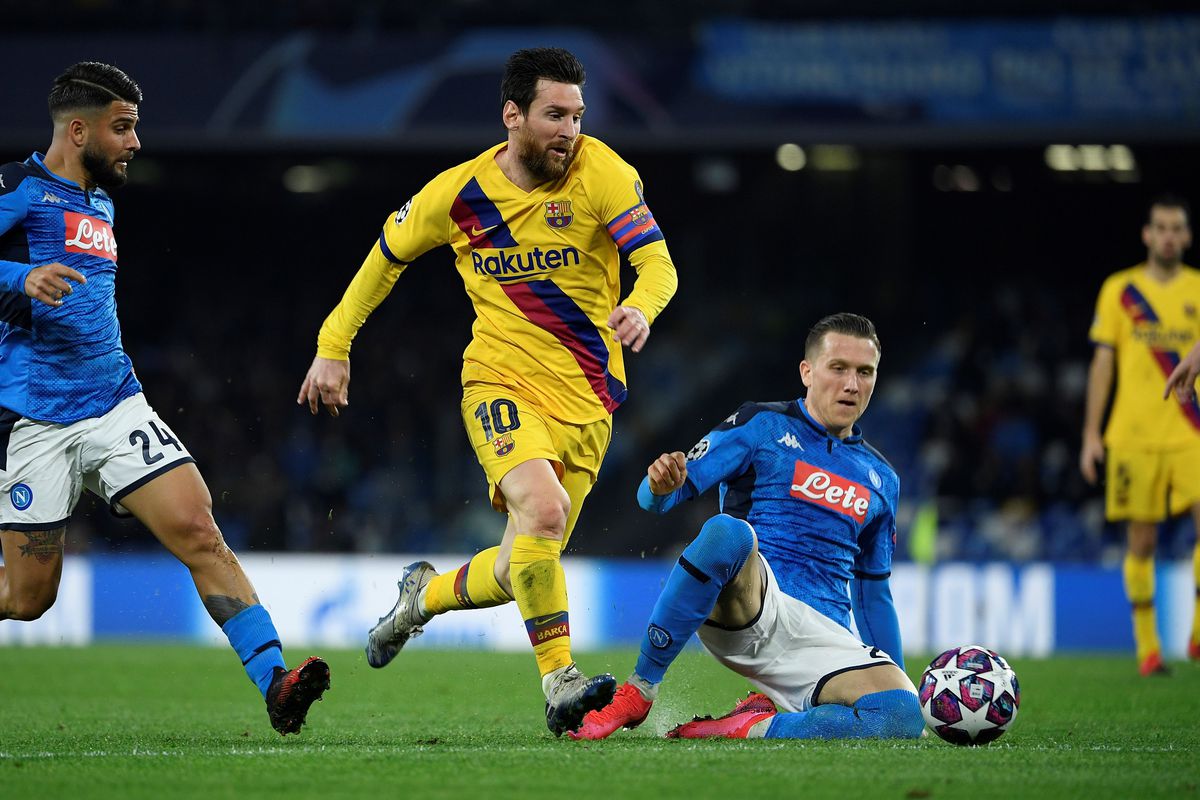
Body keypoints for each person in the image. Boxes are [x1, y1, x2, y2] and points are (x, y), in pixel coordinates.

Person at [297, 47, 677, 735]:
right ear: (513, 115)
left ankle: (420, 599)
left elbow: (657, 262)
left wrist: (642, 306)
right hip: (499, 382)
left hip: (589, 401)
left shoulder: (604, 172)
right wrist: (333, 344)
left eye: (578, 116)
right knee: (544, 509)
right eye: (555, 115)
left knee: (517, 565)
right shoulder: (459, 194)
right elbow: (386, 258)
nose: (570, 131)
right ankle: (560, 681)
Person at [0, 62, 329, 734]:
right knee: (28, 599)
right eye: (123, 128)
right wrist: (18, 277)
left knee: (200, 530)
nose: (135, 142)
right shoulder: (18, 189)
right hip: (34, 419)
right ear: (79, 130)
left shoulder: (101, 202)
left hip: (116, 403)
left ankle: (276, 685)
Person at [571, 313, 924, 741]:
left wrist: (897, 679)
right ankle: (640, 689)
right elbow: (655, 500)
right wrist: (659, 486)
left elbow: (873, 593)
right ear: (807, 372)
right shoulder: (761, 425)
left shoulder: (882, 479)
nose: (852, 384)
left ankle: (751, 725)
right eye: (838, 368)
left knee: (902, 717)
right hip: (754, 604)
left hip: (825, 639)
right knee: (728, 532)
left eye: (864, 372)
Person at [1081, 194, 1200, 675]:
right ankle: (1149, 650)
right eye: (1161, 228)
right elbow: (1102, 364)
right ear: (1147, 235)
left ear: (1186, 237)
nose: (1168, 236)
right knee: (1142, 543)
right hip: (1132, 433)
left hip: (1192, 428)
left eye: (1177, 228)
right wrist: (1091, 433)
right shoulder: (1120, 290)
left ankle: (1197, 633)